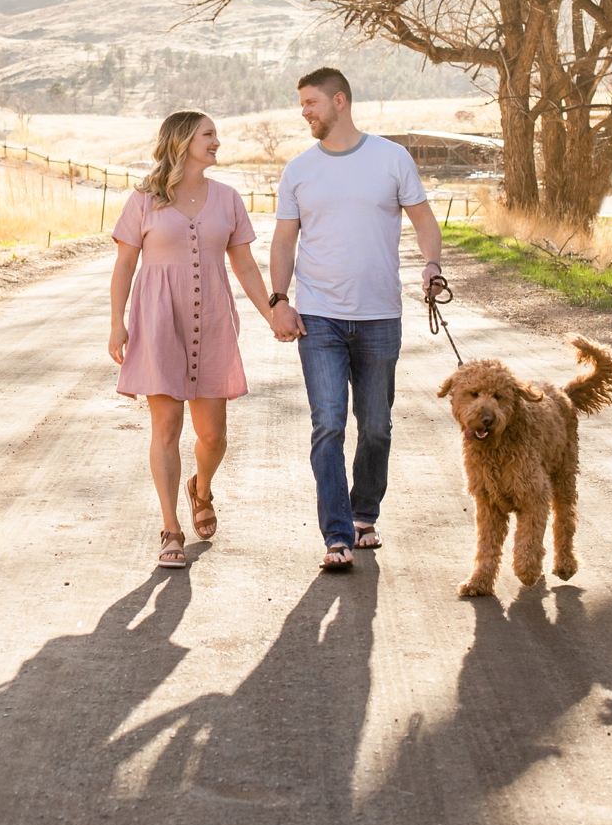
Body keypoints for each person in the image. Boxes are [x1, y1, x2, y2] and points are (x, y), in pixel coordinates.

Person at [266, 68, 444, 573]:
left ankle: (365, 513)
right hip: (318, 316)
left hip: (379, 315)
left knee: (377, 428)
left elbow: (425, 222)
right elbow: (283, 240)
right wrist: (279, 299)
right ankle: (338, 536)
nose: (304, 111)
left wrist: (432, 266)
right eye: (301, 104)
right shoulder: (299, 170)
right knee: (328, 424)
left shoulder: (390, 158)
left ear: (339, 101)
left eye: (311, 102)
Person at [109, 110, 277, 568]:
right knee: (165, 428)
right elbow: (125, 265)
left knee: (213, 434)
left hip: (214, 322)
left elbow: (243, 265)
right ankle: (171, 529)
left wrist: (272, 312)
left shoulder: (227, 199)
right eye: (209, 135)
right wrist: (116, 322)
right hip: (158, 322)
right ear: (182, 142)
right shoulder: (143, 199)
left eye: (216, 135)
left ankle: (200, 489)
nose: (217, 142)